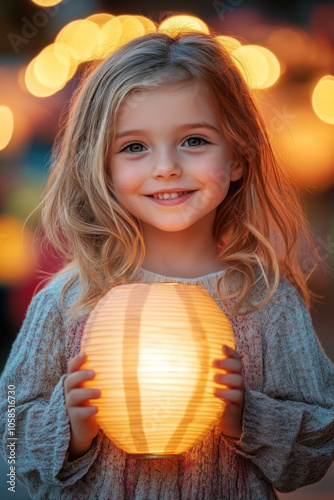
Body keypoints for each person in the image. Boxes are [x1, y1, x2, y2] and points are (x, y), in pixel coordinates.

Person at [1, 28, 334, 500]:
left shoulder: (266, 302)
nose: (166, 167)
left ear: (238, 155)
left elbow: (319, 445)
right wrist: (66, 429)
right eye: (134, 147)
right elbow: (10, 431)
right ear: (102, 166)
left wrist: (249, 419)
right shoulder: (68, 301)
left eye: (194, 140)